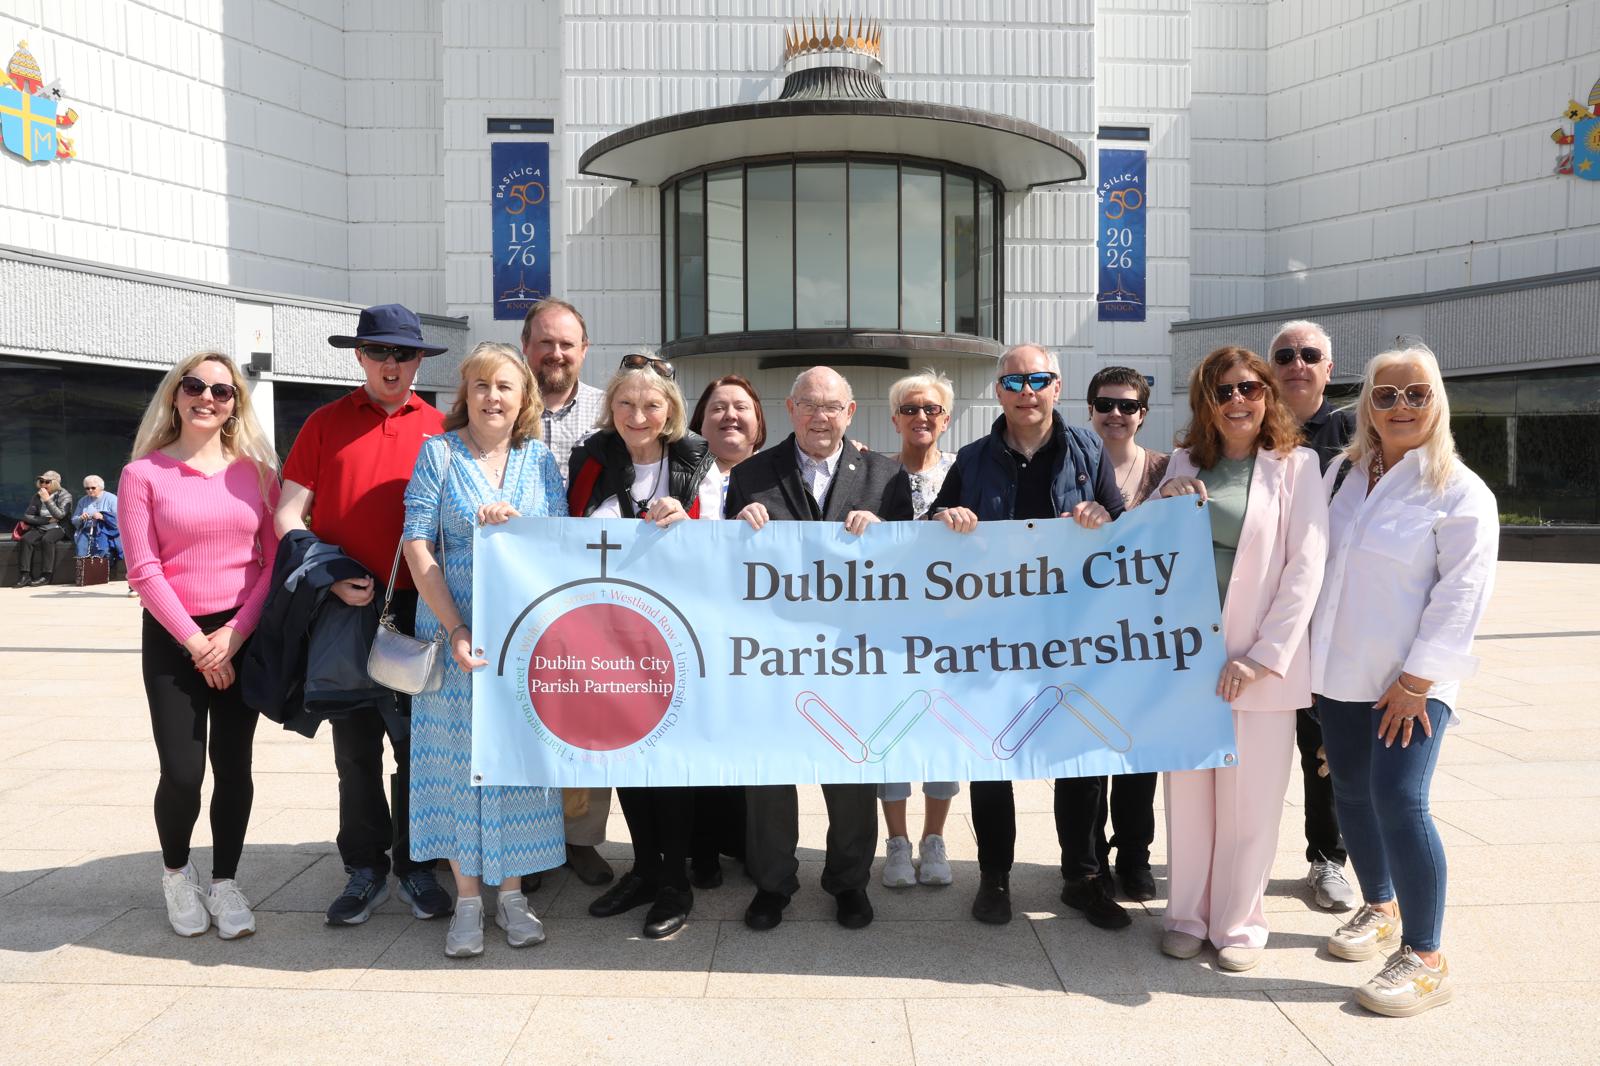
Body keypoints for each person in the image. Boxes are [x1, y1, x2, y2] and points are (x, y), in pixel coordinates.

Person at [1311, 345, 1498, 1017]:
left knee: (1399, 799)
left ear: (1437, 402)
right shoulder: (1341, 473)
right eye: (1386, 395)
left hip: (1412, 682)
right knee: (1351, 794)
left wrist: (1417, 681)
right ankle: (1380, 905)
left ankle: (1425, 957)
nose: (1400, 406)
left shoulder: (1461, 491)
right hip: (1339, 673)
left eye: (1416, 394)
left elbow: (1462, 595)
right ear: (1367, 405)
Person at [928, 344, 1129, 930]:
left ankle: (1082, 877)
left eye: (1037, 380)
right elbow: (925, 535)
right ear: (999, 392)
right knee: (994, 759)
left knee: (1080, 759)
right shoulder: (972, 459)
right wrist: (945, 520)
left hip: (1072, 634)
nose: (1026, 392)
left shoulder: (1088, 451)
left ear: (1056, 387)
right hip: (993, 639)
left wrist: (1102, 517)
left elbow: (1123, 529)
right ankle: (994, 876)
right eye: (1014, 382)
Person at [275, 303, 455, 926]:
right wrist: (326, 575)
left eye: (403, 353)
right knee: (355, 750)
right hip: (343, 606)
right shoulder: (324, 423)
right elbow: (287, 514)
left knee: (416, 748)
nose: (391, 364)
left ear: (419, 360)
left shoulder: (442, 428)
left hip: (419, 608)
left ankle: (417, 866)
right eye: (379, 351)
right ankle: (364, 868)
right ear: (359, 356)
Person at [1156, 345, 1328, 971]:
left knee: (1250, 805)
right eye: (1223, 390)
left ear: (1267, 396)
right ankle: (1185, 916)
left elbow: (1306, 569)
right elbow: (1148, 555)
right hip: (1188, 662)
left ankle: (1239, 924)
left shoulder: (1297, 466)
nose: (1237, 400)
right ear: (1206, 400)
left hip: (1258, 665)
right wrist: (1162, 501)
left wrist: (1262, 657)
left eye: (1249, 388)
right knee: (1189, 800)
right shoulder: (1181, 462)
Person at [728, 366, 915, 932]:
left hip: (850, 657)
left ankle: (849, 883)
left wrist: (885, 533)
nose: (820, 416)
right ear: (790, 409)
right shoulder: (752, 474)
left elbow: (910, 565)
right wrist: (738, 526)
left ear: (850, 413)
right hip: (774, 656)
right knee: (769, 776)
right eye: (809, 405)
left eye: (832, 406)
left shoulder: (886, 476)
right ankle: (772, 885)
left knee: (852, 773)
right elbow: (726, 567)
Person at [402, 341, 569, 958]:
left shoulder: (539, 460)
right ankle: (468, 900)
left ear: (524, 399)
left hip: (523, 635)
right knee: (456, 762)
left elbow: (559, 543)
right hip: (454, 630)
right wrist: (455, 628)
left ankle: (514, 895)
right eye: (481, 385)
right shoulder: (438, 454)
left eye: (504, 386)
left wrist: (519, 528)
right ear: (464, 394)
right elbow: (417, 544)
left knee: (516, 758)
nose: (492, 397)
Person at [119, 352, 280, 939]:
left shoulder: (259, 475)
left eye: (221, 390)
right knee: (183, 773)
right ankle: (176, 873)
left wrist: (233, 636)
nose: (206, 397)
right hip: (174, 637)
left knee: (234, 766)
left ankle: (226, 881)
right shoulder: (142, 475)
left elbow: (273, 563)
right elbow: (144, 570)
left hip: (241, 633)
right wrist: (197, 644)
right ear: (175, 394)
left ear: (236, 403)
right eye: (194, 385)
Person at [570, 355, 717, 938]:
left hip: (675, 636)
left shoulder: (698, 460)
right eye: (626, 403)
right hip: (608, 635)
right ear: (610, 407)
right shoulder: (590, 459)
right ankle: (646, 869)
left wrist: (690, 521)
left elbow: (724, 543)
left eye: (652, 404)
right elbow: (564, 530)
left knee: (670, 763)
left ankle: (675, 880)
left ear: (670, 410)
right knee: (627, 755)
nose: (638, 415)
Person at [520, 296, 613, 888]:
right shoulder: (501, 405)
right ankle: (529, 840)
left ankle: (580, 839)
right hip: (517, 591)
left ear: (584, 350)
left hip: (590, 592)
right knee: (525, 714)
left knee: (589, 717)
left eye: (567, 344)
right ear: (526, 347)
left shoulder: (610, 413)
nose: (556, 353)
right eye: (545, 342)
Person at [1267, 318, 1358, 912]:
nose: (1296, 364)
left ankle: (1328, 858)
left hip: (1326, 623)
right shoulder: (1248, 426)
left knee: (1323, 750)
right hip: (1255, 620)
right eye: (1284, 356)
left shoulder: (1358, 434)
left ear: (1329, 367)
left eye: (1308, 354)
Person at [1085, 366, 1169, 902]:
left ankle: (1135, 855)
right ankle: (1089, 857)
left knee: (1140, 755)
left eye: (1128, 406)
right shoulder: (1072, 465)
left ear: (1143, 414)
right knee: (1088, 753)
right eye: (1105, 404)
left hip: (1147, 638)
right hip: (1081, 638)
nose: (1116, 414)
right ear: (1089, 409)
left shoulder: (1167, 468)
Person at [684, 374, 767, 887]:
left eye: (741, 406)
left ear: (759, 422)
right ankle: (703, 849)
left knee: (751, 742)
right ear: (700, 421)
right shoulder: (680, 474)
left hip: (760, 639)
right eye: (717, 407)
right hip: (694, 631)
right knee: (702, 739)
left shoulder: (780, 474)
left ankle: (748, 842)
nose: (730, 415)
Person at [879, 369, 959, 889]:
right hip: (886, 633)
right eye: (910, 409)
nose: (921, 417)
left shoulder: (963, 472)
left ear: (946, 418)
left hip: (950, 632)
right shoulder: (874, 473)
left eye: (931, 409)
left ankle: (934, 839)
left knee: (943, 734)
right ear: (895, 419)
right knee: (891, 733)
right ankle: (897, 843)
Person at [15, 470, 72, 587]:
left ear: (55, 483)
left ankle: (46, 576)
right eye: (41, 481)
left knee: (47, 540)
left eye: (47, 482)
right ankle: (25, 575)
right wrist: (47, 520)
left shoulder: (65, 495)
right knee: (25, 539)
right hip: (41, 525)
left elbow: (60, 515)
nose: (43, 484)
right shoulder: (37, 496)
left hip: (59, 527)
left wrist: (47, 500)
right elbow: (27, 516)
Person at [71, 475, 120, 561]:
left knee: (102, 556)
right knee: (81, 555)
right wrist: (81, 518)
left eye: (93, 488)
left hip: (105, 532)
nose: (90, 490)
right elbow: (74, 520)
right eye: (87, 488)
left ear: (100, 487)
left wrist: (103, 517)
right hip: (87, 531)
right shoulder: (83, 500)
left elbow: (120, 519)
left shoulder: (112, 499)